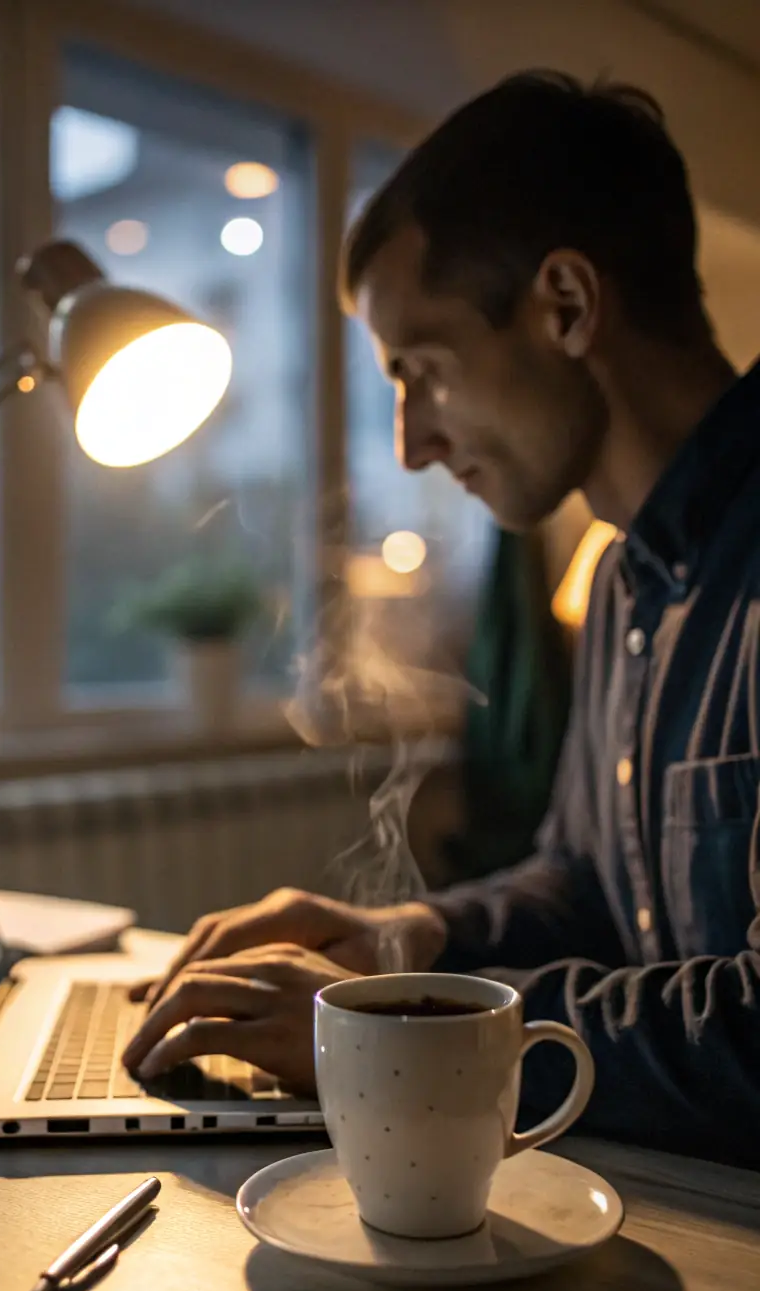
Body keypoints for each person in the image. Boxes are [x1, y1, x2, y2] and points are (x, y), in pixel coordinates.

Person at [124, 71, 760, 1167]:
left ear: (564, 305)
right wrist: (407, 939)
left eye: (422, 370)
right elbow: (586, 884)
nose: (410, 442)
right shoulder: (620, 588)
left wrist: (405, 1041)